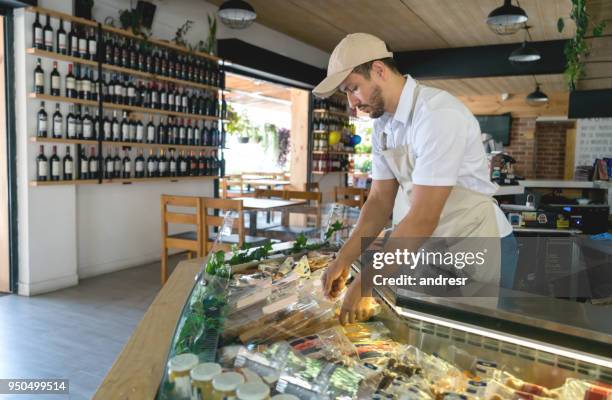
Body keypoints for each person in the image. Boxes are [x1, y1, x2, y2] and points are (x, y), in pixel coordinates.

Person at [313, 33, 517, 324]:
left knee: (469, 340)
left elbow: (423, 216)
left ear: (379, 71)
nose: (351, 103)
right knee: (426, 335)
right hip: (427, 245)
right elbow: (379, 201)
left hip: (476, 243)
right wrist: (343, 259)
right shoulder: (383, 126)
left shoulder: (437, 115)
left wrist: (366, 280)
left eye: (353, 88)